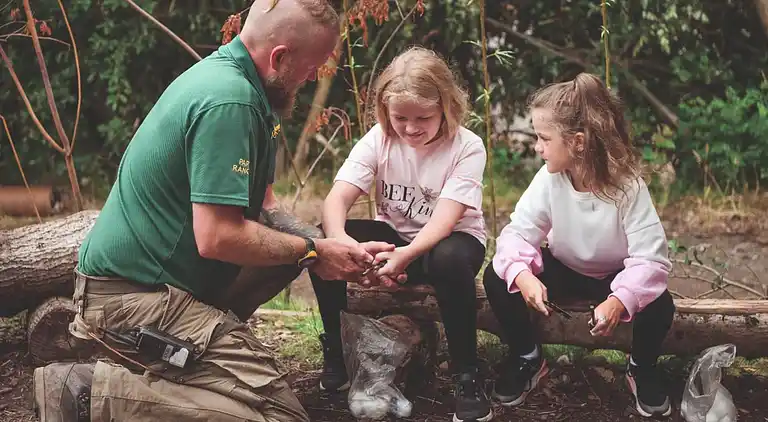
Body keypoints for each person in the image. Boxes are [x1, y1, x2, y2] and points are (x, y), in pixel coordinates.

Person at [32, 1, 397, 421]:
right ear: (279, 57)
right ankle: (88, 393)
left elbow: (265, 205)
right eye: (312, 66)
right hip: (131, 300)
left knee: (294, 254)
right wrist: (313, 252)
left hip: (162, 287)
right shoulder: (231, 102)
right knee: (282, 416)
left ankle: (192, 362)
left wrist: (329, 247)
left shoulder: (256, 93)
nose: (313, 77)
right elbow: (217, 236)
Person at [308, 47, 493, 422]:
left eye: (423, 117)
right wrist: (340, 241)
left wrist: (405, 257)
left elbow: (445, 219)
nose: (410, 128)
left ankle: (466, 373)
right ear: (384, 111)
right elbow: (337, 197)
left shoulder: (467, 146)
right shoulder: (379, 138)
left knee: (449, 259)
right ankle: (337, 352)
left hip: (449, 241)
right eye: (400, 118)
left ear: (446, 105)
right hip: (395, 238)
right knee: (319, 241)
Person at [482, 72, 675, 418]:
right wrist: (522, 275)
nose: (537, 147)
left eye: (544, 138)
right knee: (497, 277)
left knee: (660, 303)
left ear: (578, 142)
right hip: (566, 268)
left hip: (614, 277)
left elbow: (651, 259)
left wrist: (620, 300)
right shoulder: (549, 179)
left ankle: (641, 366)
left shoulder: (627, 187)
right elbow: (518, 233)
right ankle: (527, 356)